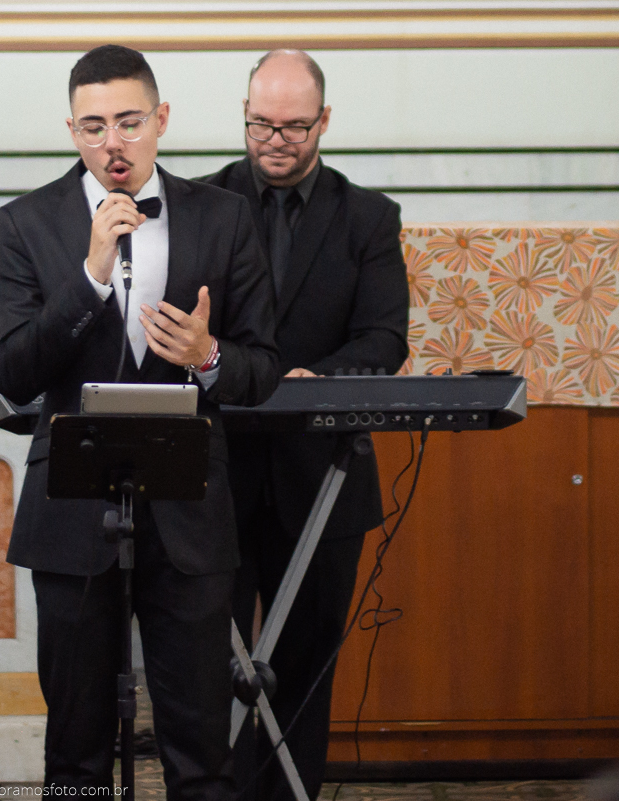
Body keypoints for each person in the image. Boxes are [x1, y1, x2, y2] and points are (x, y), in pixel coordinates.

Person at [0, 44, 279, 799]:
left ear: (161, 119)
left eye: (127, 122)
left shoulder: (226, 217)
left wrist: (209, 353)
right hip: (71, 510)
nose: (111, 143)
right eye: (92, 127)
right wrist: (87, 278)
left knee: (198, 744)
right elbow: (14, 371)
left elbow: (264, 369)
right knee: (77, 750)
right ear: (71, 130)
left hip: (191, 509)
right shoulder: (24, 223)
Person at [197, 50, 409, 800]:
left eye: (293, 125)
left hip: (323, 475)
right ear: (244, 116)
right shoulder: (199, 202)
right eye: (261, 123)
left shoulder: (369, 217)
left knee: (306, 664)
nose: (275, 139)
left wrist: (316, 381)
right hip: (212, 476)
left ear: (324, 122)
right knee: (204, 669)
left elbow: (385, 338)